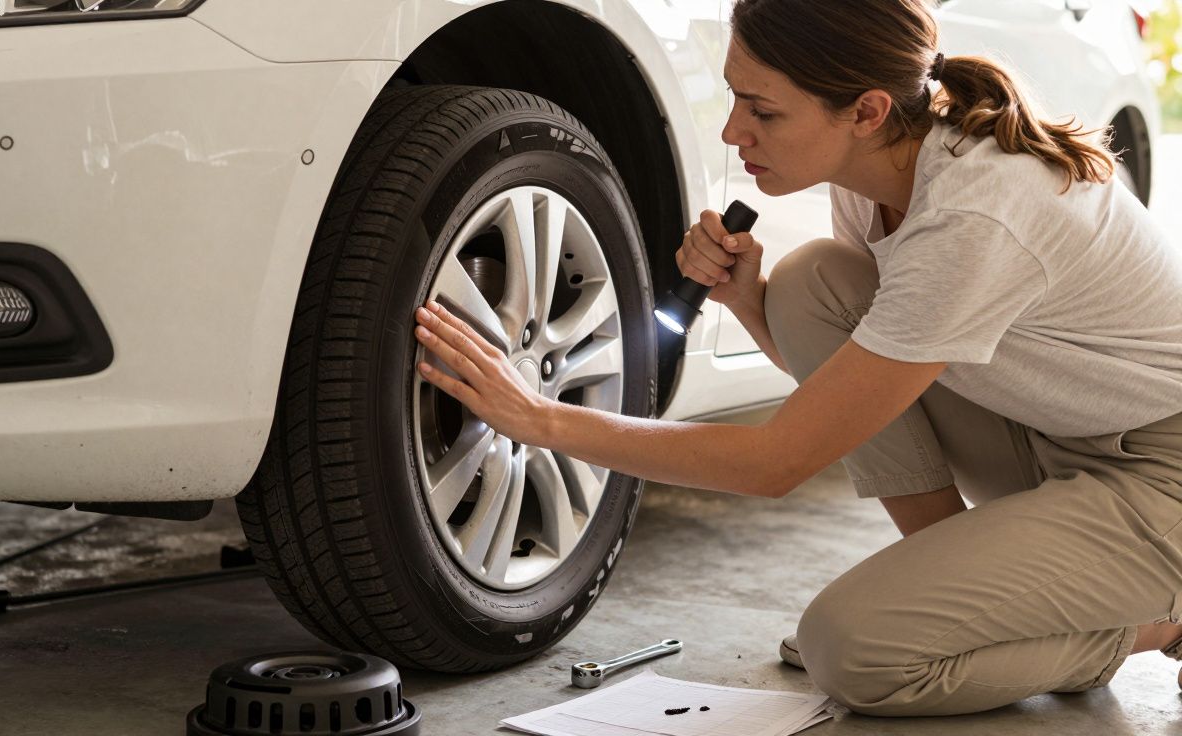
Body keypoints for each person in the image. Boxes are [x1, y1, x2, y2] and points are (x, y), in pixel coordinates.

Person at [411, 0, 1182, 717]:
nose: (733, 132)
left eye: (763, 111)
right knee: (811, 281)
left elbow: (776, 462)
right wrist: (750, 301)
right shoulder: (877, 173)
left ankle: (1158, 624)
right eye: (735, 98)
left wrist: (541, 420)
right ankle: (966, 600)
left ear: (866, 111)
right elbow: (857, 397)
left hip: (1160, 475)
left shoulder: (976, 211)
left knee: (853, 651)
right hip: (1052, 433)